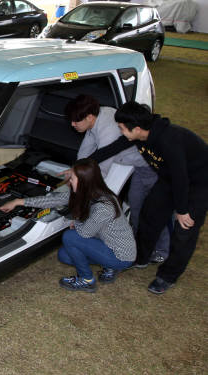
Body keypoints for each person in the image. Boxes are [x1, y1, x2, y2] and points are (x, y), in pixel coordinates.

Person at [89, 102, 208, 294]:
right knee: (149, 215)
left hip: (198, 183)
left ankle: (168, 276)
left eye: (121, 128)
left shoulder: (170, 140)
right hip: (170, 178)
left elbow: (181, 178)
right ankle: (141, 258)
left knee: (184, 230)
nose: (121, 132)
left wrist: (183, 210)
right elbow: (110, 149)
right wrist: (82, 165)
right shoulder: (140, 135)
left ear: (136, 128)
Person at [0, 158, 136, 292]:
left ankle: (87, 281)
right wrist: (18, 202)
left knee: (70, 237)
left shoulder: (103, 207)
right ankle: (108, 265)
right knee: (64, 255)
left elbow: (84, 233)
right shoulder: (85, 194)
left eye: (72, 178)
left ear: (84, 181)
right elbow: (54, 200)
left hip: (121, 255)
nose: (69, 181)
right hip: (105, 243)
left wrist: (75, 223)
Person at [65, 95, 169, 263]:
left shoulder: (109, 128)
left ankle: (162, 251)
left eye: (76, 121)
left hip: (151, 169)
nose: (72, 124)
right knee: (136, 208)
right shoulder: (95, 119)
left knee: (153, 212)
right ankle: (139, 247)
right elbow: (87, 150)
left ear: (89, 117)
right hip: (136, 169)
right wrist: (75, 170)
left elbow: (102, 167)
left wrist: (82, 186)